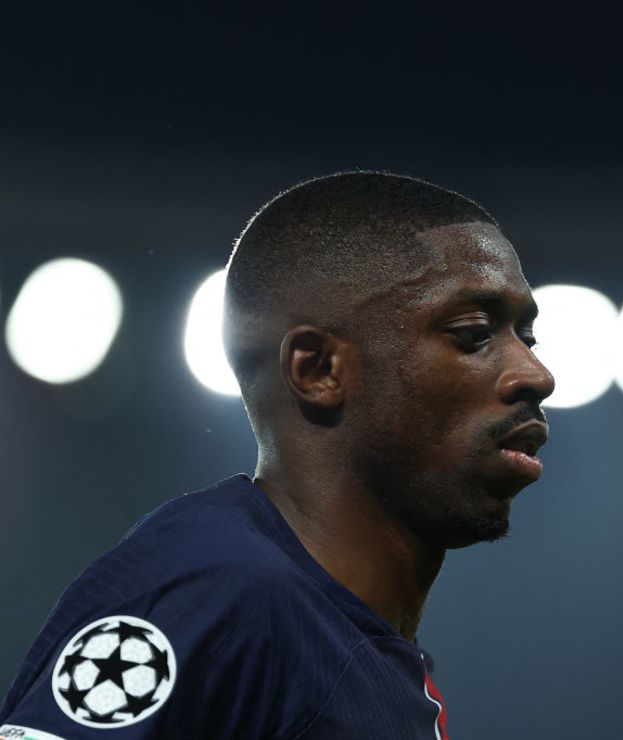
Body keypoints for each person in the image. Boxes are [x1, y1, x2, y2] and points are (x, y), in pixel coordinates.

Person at [0, 172, 555, 739]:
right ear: (318, 370)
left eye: (527, 338)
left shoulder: (354, 650)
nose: (537, 375)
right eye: (473, 332)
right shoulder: (215, 588)